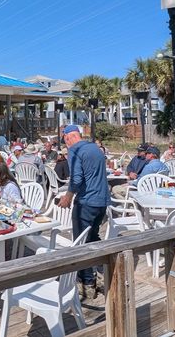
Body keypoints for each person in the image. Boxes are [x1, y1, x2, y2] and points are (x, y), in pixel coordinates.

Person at [56, 124, 109, 299]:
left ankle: (87, 283)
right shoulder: (95, 148)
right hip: (101, 202)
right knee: (94, 237)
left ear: (67, 137)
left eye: (65, 140)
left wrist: (68, 197)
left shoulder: (75, 150)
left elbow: (77, 179)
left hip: (86, 202)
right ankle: (102, 274)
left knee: (81, 242)